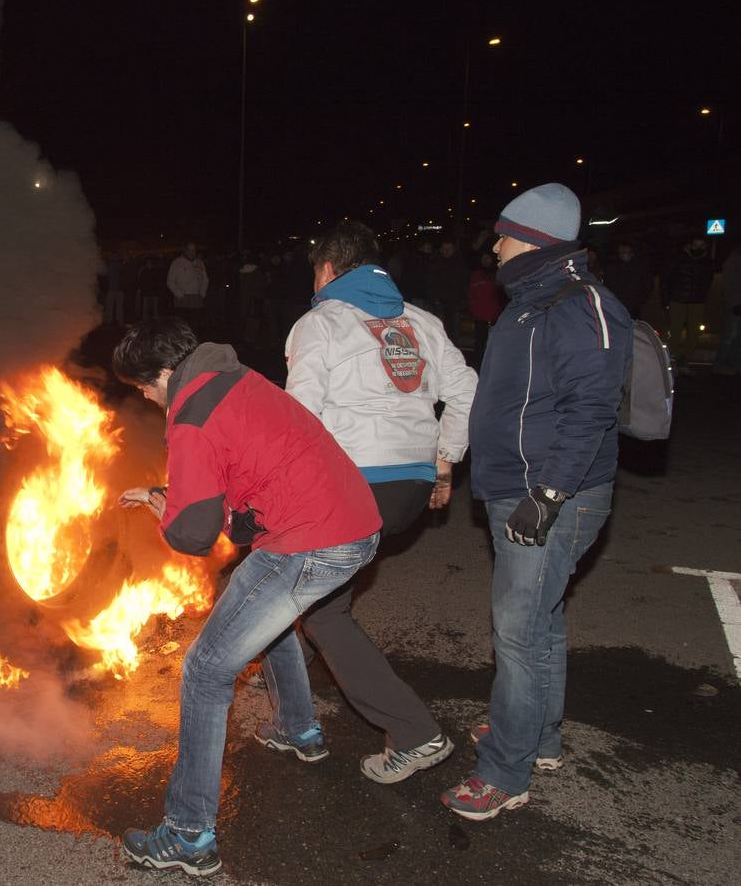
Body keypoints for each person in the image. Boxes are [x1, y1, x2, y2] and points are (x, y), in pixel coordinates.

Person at [113, 317, 382, 876]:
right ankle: (298, 728)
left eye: (142, 384)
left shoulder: (190, 414)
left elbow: (193, 533)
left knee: (206, 669)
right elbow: (235, 472)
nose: (141, 394)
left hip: (310, 540)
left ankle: (188, 833)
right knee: (264, 612)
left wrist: (162, 512)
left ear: (165, 373)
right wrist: (167, 495)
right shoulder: (235, 378)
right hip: (354, 523)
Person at [441, 183, 631, 821]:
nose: (494, 246)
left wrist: (547, 495)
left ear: (535, 239)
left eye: (503, 234)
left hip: (548, 496)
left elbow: (591, 409)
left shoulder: (578, 306)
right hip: (514, 489)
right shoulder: (530, 301)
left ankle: (504, 774)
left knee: (517, 634)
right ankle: (537, 739)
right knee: (539, 624)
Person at [283, 221, 475, 784]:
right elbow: (467, 393)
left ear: (326, 269)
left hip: (352, 485)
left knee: (320, 608)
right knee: (312, 587)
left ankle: (416, 733)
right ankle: (290, 710)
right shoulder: (422, 321)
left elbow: (301, 418)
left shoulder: (320, 324)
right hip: (410, 488)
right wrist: (444, 462)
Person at [662, 237, 716, 370]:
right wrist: (666, 300)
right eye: (695, 245)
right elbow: (666, 280)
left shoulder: (707, 262)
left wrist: (704, 297)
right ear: (689, 245)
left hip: (697, 301)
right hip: (677, 300)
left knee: (694, 333)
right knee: (674, 332)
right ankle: (672, 360)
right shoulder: (678, 259)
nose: (698, 248)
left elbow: (708, 281)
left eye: (701, 245)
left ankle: (683, 359)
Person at [425, 239, 470, 339]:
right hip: (439, 303)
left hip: (455, 302)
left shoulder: (460, 264)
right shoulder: (435, 263)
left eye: (448, 249)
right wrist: (434, 299)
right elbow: (430, 283)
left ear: (453, 250)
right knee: (440, 331)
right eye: (444, 249)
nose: (446, 251)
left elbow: (464, 283)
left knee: (454, 331)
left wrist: (463, 300)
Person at [600, 240, 654, 319]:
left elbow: (647, 285)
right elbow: (608, 285)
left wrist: (640, 300)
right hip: (617, 305)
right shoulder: (613, 268)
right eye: (621, 252)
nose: (623, 254)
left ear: (632, 252)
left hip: (634, 305)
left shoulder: (640, 267)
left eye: (626, 251)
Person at [468, 251, 503, 364]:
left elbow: (503, 296)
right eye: (483, 258)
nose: (485, 260)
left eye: (487, 258)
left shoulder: (498, 274)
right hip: (480, 316)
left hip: (496, 316)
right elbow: (471, 294)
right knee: (480, 343)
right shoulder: (476, 275)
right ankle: (478, 365)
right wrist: (473, 310)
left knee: (495, 343)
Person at [715, 243, 741, 376]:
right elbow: (730, 281)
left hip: (735, 302)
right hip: (735, 304)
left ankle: (734, 364)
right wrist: (734, 302)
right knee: (729, 336)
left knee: (737, 338)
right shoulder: (734, 259)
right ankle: (720, 364)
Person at [167, 242, 209, 323]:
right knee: (183, 325)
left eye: (193, 250)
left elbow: (205, 279)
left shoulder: (200, 263)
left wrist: (202, 293)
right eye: (189, 250)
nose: (192, 253)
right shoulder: (177, 262)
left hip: (196, 299)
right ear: (185, 250)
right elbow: (170, 281)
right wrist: (179, 294)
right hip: (182, 300)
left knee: (196, 324)